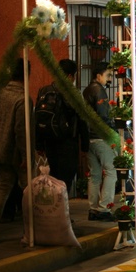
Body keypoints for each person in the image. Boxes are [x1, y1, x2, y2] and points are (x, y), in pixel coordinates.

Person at [0, 59, 34, 243]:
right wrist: (25, 155)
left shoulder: (1, 94)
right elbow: (22, 130)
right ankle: (34, 227)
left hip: (0, 149)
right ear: (26, 74)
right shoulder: (23, 98)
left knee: (3, 186)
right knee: (30, 190)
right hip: (16, 153)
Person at [35, 58, 88, 195]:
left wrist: (39, 144)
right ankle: (62, 214)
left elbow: (38, 118)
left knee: (54, 178)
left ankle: (55, 212)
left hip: (49, 142)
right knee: (65, 181)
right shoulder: (73, 94)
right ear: (70, 76)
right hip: (68, 142)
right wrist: (85, 146)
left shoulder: (44, 91)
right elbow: (82, 120)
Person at [82, 62, 116, 221]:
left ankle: (93, 209)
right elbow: (103, 115)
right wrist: (113, 131)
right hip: (101, 136)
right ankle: (104, 208)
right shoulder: (99, 91)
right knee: (111, 171)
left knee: (94, 175)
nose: (109, 79)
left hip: (89, 138)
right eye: (108, 75)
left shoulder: (87, 90)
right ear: (98, 76)